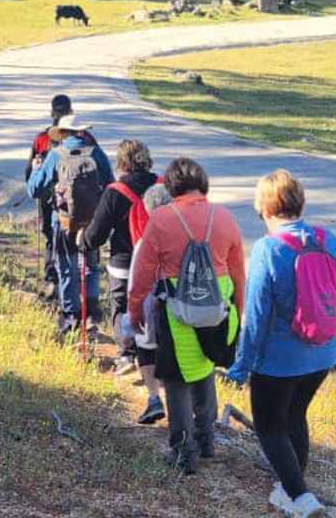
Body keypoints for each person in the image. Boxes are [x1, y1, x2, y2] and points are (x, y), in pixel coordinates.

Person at [227, 170, 336, 518]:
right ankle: (288, 490)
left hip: (279, 359)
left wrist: (241, 365)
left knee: (269, 426)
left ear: (264, 208)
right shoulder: (327, 239)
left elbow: (255, 316)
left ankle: (301, 498)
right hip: (322, 352)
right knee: (295, 414)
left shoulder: (269, 249)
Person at [129, 157, 245, 475]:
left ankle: (183, 452)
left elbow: (142, 272)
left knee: (176, 377)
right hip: (218, 307)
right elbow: (238, 272)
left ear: (171, 186)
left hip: (177, 309)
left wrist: (136, 307)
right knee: (205, 366)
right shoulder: (224, 217)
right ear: (203, 184)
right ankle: (207, 442)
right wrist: (240, 311)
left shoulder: (163, 219)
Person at [78, 139, 160, 375]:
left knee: (121, 304)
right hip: (158, 261)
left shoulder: (115, 192)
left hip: (124, 262)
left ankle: (126, 354)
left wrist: (83, 241)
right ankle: (152, 353)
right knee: (156, 305)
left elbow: (96, 235)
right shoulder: (162, 185)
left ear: (122, 161)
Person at [26, 113, 113, 336]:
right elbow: (111, 184)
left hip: (64, 222)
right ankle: (92, 314)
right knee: (91, 266)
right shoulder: (96, 152)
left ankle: (71, 316)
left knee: (67, 268)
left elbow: (34, 189)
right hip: (92, 222)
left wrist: (37, 168)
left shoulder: (56, 155)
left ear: (63, 133)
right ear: (81, 131)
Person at [25, 95, 95, 300]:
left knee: (54, 241)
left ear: (52, 112)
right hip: (88, 205)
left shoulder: (42, 139)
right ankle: (88, 303)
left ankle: (54, 282)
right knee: (87, 251)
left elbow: (30, 175)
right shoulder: (90, 142)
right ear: (71, 112)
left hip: (54, 202)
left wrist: (36, 175)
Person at [124, 183, 176, 426]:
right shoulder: (187, 237)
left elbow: (135, 284)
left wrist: (133, 316)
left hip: (151, 307)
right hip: (180, 308)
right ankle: (185, 409)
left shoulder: (144, 243)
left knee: (145, 347)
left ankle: (154, 397)